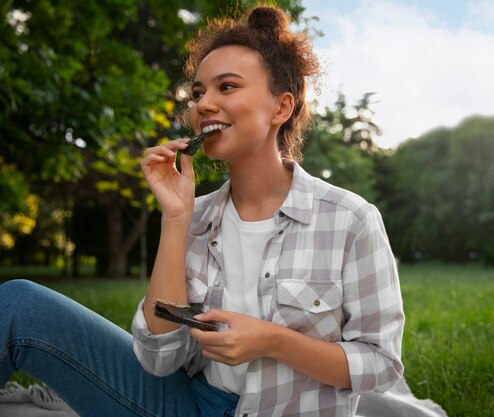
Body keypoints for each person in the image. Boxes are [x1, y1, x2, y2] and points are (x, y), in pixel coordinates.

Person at [0, 5, 404, 417]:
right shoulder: (195, 216)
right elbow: (159, 360)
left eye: (226, 87)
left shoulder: (349, 219)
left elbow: (382, 364)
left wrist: (272, 341)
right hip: (191, 403)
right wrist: (176, 219)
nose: (202, 104)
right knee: (18, 305)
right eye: (197, 93)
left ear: (281, 108)